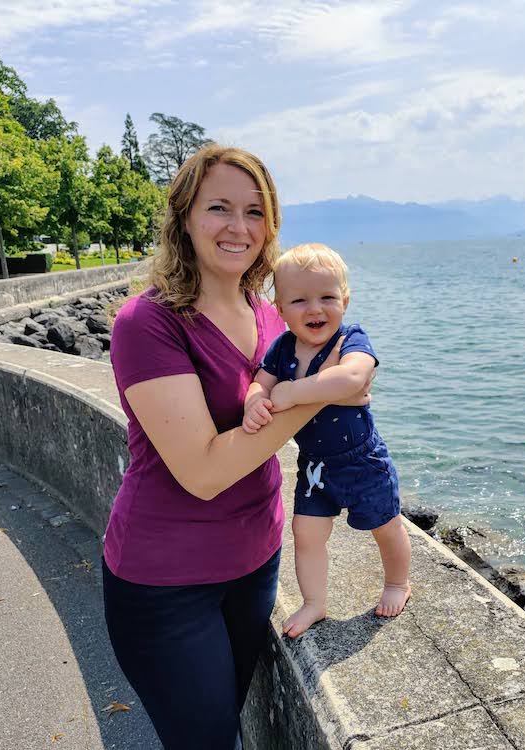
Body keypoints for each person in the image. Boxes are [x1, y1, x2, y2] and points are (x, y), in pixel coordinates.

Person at [101, 145, 371, 750]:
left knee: (228, 724)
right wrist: (324, 392)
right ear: (184, 218)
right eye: (219, 207)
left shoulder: (271, 314)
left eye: (256, 211)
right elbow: (202, 470)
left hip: (254, 562)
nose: (239, 227)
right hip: (166, 580)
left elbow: (339, 384)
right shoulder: (148, 323)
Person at [242, 243, 411, 638]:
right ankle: (315, 602)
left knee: (386, 526)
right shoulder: (283, 348)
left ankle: (397, 583)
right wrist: (255, 402)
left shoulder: (350, 339)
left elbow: (355, 379)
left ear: (345, 301)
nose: (314, 309)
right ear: (280, 310)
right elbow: (259, 384)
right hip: (316, 465)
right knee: (306, 533)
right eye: (299, 300)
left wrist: (293, 392)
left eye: (327, 297)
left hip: (362, 460)